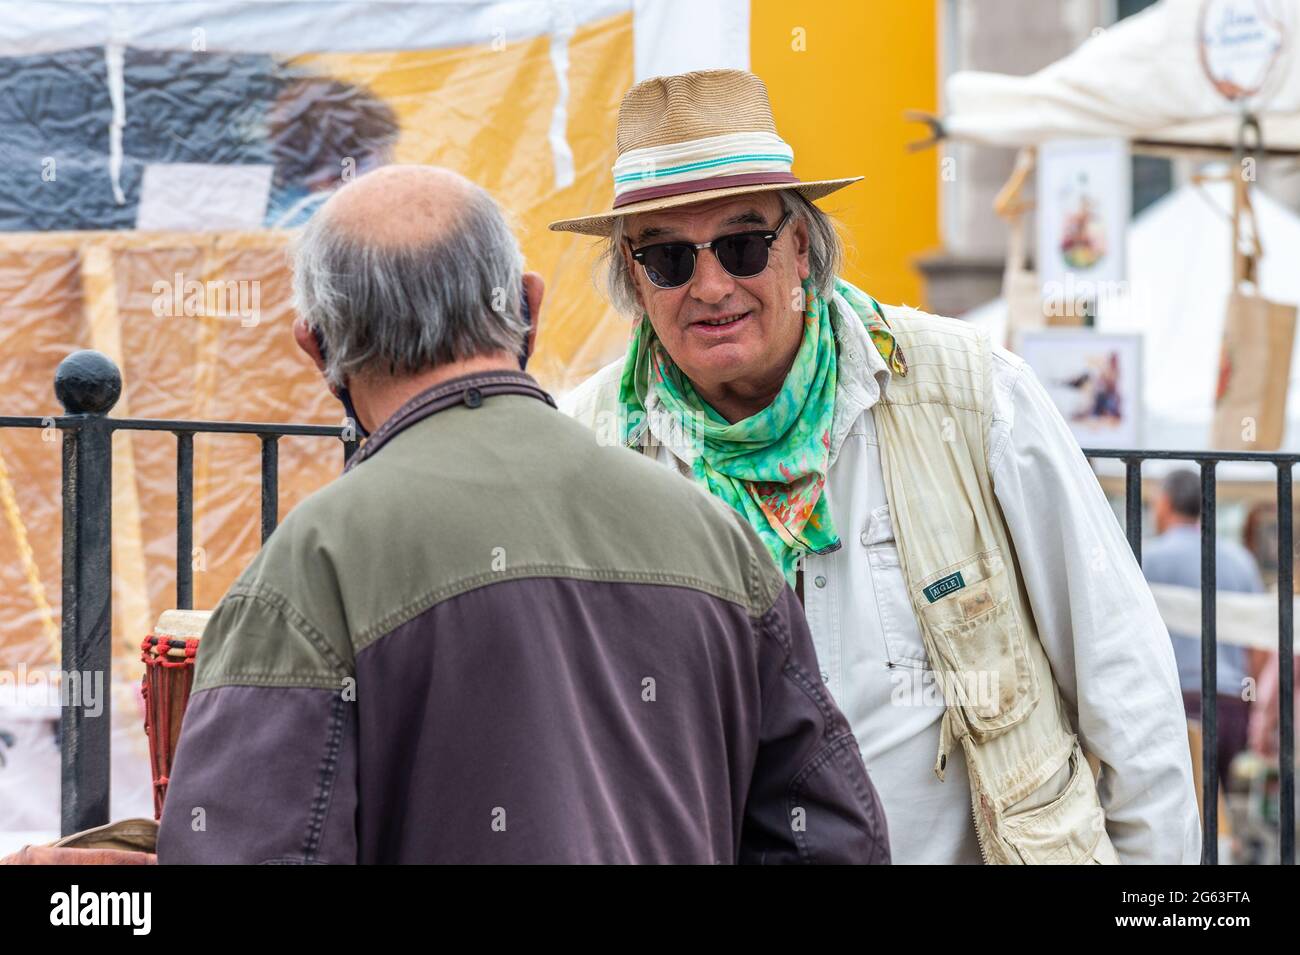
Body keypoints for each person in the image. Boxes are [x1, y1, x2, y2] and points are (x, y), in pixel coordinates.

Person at [553, 68, 1200, 864]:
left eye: (743, 244)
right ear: (633, 275)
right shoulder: (583, 451)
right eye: (669, 260)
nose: (712, 285)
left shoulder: (969, 392)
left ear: (798, 245)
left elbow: (1123, 673)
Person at [156, 163, 889, 864]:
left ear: (317, 348)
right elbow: (826, 833)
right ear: (529, 308)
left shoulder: (310, 570)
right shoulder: (711, 537)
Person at [1142, 468, 1264, 790]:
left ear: (1165, 504)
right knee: (1218, 812)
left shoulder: (1146, 558)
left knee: (1172, 807)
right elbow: (1260, 644)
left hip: (1171, 701)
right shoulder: (1241, 561)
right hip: (1230, 704)